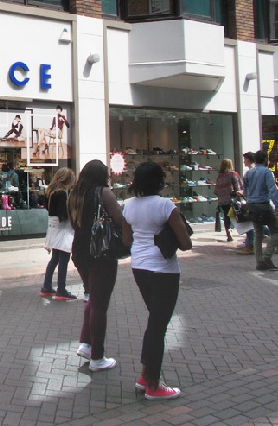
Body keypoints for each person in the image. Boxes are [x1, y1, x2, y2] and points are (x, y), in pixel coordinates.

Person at [121, 161, 192, 400]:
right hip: (164, 269)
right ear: (159, 181)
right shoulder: (165, 206)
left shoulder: (128, 205)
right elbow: (185, 243)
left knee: (155, 322)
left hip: (139, 267)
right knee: (158, 326)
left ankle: (145, 375)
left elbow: (127, 239)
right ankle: (153, 384)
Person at [68, 159, 125, 372]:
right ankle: (97, 358)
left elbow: (74, 224)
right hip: (101, 251)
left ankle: (86, 343)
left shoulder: (74, 195)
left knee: (93, 296)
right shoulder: (104, 193)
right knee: (100, 305)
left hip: (80, 250)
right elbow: (119, 219)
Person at [40, 168, 77, 300]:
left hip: (53, 228)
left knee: (55, 259)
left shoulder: (50, 192)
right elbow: (63, 215)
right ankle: (61, 289)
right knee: (64, 260)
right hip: (63, 230)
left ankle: (47, 286)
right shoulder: (62, 193)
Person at [243, 150, 278, 272]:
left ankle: (259, 261)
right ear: (265, 159)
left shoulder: (248, 174)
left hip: (252, 205)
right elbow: (272, 190)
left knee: (258, 234)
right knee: (276, 232)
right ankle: (266, 257)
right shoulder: (267, 172)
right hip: (264, 204)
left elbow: (245, 192)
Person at [214, 158, 240, 242]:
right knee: (237, 215)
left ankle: (228, 233)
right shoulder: (233, 174)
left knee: (226, 216)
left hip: (222, 201)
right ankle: (239, 232)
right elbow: (238, 187)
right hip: (232, 200)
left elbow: (216, 190)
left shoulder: (219, 176)